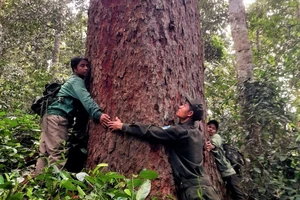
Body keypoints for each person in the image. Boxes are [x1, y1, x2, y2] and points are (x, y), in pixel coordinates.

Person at [108, 97, 220, 200]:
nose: (180, 106)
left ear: (190, 113)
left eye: (184, 105)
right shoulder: (199, 134)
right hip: (209, 188)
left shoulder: (179, 132)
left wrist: (122, 126)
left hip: (193, 191)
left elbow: (151, 131)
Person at [35, 56, 110, 174]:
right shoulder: (76, 81)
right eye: (82, 66)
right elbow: (86, 99)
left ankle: (39, 183)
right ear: (75, 69)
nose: (86, 68)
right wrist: (98, 114)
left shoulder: (72, 81)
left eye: (87, 66)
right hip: (57, 118)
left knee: (45, 152)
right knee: (57, 152)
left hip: (49, 116)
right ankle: (54, 185)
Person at [206, 120, 244, 200]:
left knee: (238, 195)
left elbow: (215, 143)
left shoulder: (216, 136)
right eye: (209, 127)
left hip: (228, 172)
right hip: (223, 174)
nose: (211, 129)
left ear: (215, 131)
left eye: (213, 128)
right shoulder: (206, 137)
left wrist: (212, 146)